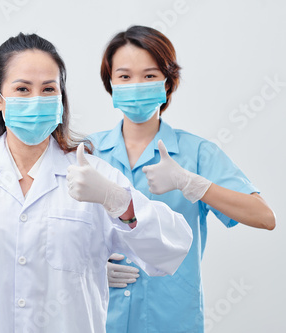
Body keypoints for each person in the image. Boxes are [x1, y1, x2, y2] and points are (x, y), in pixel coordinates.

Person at [0, 32, 193, 333]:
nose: (36, 99)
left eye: (48, 89)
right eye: (23, 89)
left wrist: (118, 201)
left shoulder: (94, 176)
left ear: (61, 100)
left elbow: (171, 250)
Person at [88, 25, 276, 333]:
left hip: (172, 320)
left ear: (167, 83)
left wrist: (193, 184)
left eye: (149, 75)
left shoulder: (196, 153)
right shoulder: (88, 153)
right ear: (110, 83)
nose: (136, 85)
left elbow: (264, 217)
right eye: (124, 76)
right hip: (99, 317)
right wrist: (90, 266)